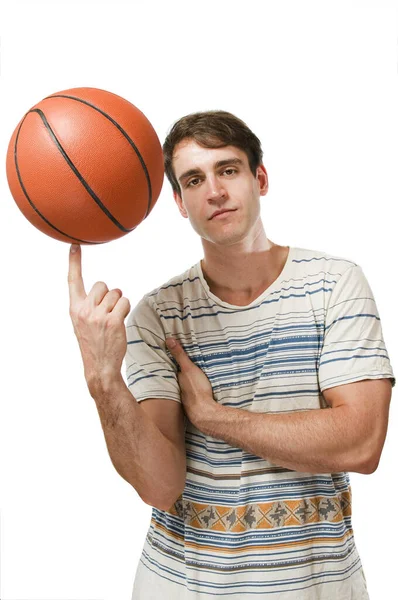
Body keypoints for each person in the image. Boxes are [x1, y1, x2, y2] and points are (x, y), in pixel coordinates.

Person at [68, 110, 395, 599]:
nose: (214, 191)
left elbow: (361, 444)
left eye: (228, 169)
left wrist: (214, 418)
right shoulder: (158, 315)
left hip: (318, 586)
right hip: (183, 585)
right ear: (179, 203)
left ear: (259, 178)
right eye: (194, 180)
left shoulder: (335, 284)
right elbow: (160, 486)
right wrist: (102, 376)